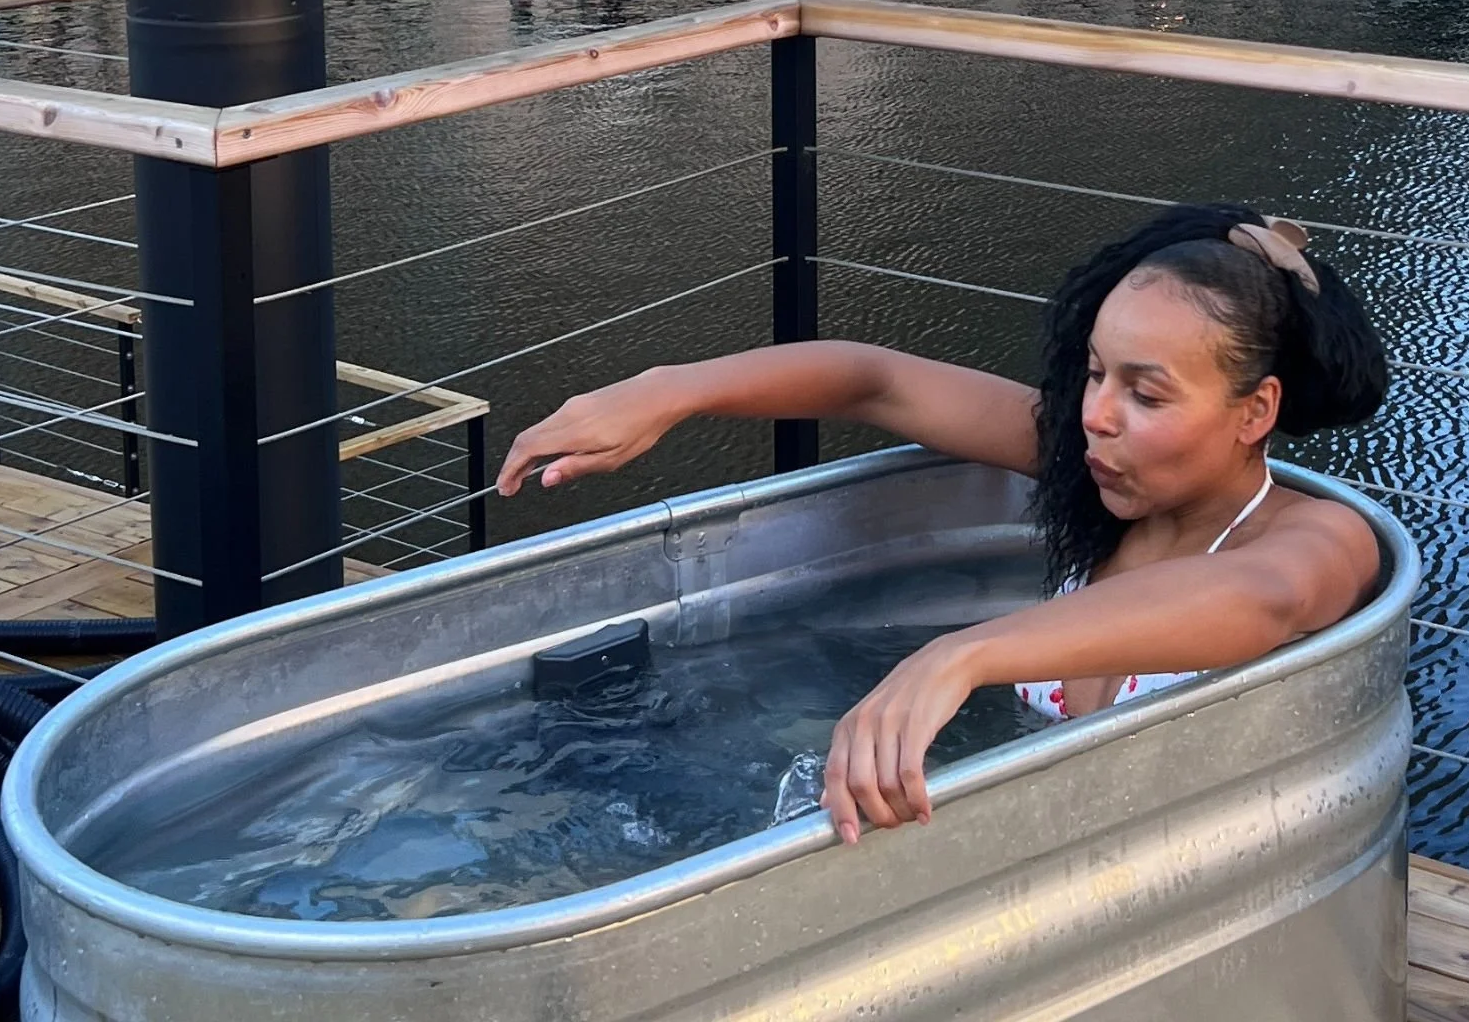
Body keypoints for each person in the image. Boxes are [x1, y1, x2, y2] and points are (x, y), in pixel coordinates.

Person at [496, 202, 1390, 844]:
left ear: (1254, 410)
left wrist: (960, 654)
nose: (1096, 415)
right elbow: (875, 381)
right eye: (1092, 374)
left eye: (1145, 392)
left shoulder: (1313, 542)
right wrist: (669, 391)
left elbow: (1259, 601)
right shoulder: (1099, 469)